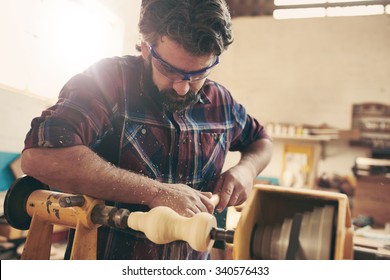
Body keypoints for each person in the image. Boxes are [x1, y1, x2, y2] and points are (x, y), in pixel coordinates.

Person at [21, 0, 273, 260]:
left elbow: (262, 141)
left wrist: (247, 170)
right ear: (145, 46)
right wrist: (155, 192)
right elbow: (39, 157)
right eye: (169, 70)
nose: (182, 88)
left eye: (198, 74)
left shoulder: (221, 102)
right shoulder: (107, 82)